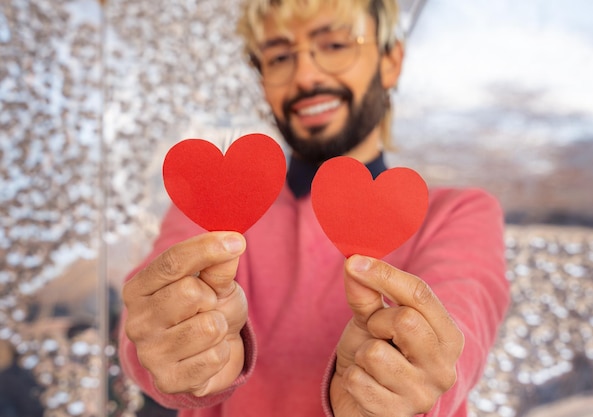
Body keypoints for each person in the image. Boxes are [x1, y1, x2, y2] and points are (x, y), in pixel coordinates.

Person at [118, 0, 511, 416]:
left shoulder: (460, 214)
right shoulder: (212, 206)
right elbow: (141, 327)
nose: (305, 76)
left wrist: (410, 388)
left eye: (336, 44)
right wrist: (176, 352)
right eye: (280, 56)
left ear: (390, 60)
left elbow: (464, 330)